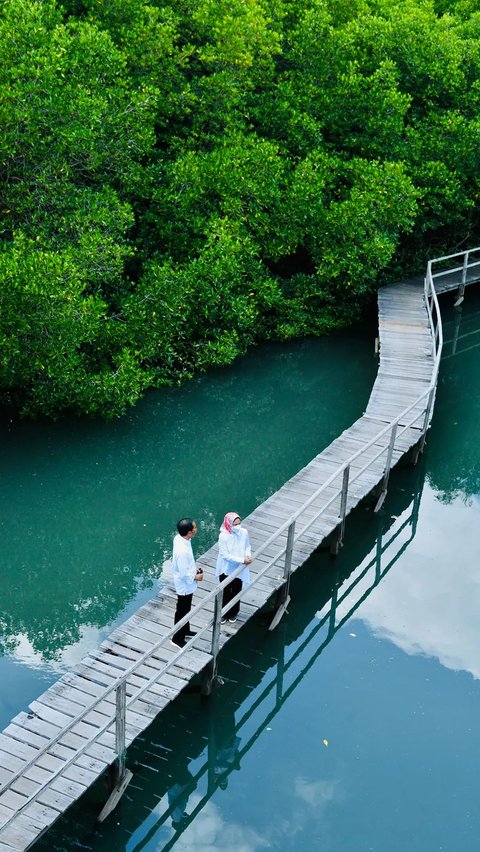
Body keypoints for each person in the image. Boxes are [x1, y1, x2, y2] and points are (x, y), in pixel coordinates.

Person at [171, 518, 203, 648]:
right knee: (182, 611)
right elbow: (184, 574)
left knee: (186, 609)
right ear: (189, 532)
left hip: (186, 579)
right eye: (194, 528)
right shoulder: (182, 551)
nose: (196, 529)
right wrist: (197, 577)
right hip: (184, 585)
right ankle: (177, 638)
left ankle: (185, 630)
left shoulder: (180, 538)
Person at [215, 512, 252, 624]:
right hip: (226, 569)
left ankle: (234, 612)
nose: (237, 526)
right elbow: (225, 555)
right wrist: (242, 560)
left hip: (239, 568)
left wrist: (248, 555)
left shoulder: (244, 532)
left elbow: (247, 546)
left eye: (239, 523)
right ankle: (223, 613)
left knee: (237, 589)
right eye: (235, 524)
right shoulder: (223, 536)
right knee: (226, 591)